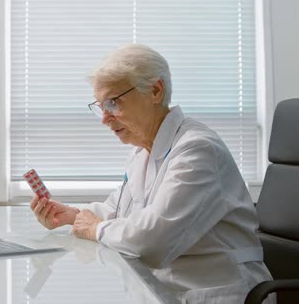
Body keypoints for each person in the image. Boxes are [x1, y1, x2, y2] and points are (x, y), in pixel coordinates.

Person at [30, 44, 274, 303]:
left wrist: (95, 229)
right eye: (100, 107)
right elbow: (120, 212)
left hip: (218, 291)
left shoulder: (197, 149)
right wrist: (73, 215)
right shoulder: (143, 151)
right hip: (169, 288)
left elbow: (151, 240)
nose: (104, 119)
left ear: (155, 91)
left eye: (113, 103)